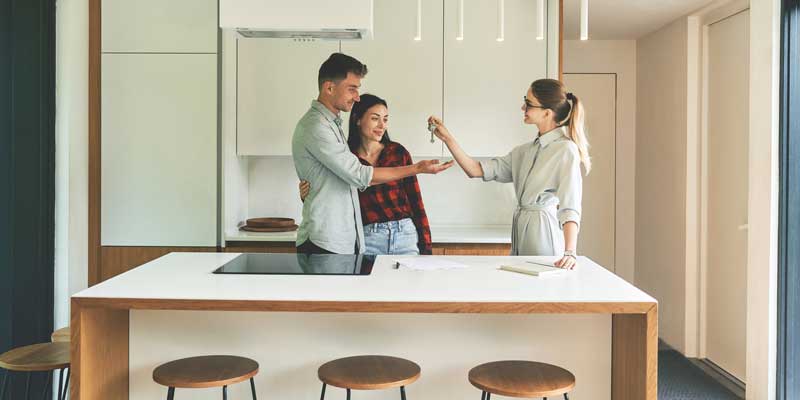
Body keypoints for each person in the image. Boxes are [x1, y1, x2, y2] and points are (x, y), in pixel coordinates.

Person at [292, 53, 452, 255]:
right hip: (327, 241)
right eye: (352, 89)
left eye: (385, 119)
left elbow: (333, 179)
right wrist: (418, 168)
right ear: (329, 88)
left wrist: (312, 191)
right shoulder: (317, 127)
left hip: (352, 240)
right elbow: (359, 175)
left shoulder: (333, 125)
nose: (357, 96)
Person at [427, 79, 590, 269]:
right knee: (522, 292)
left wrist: (570, 252)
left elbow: (570, 206)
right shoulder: (524, 152)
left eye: (528, 104)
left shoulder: (565, 150)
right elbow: (474, 169)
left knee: (542, 293)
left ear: (547, 113)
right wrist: (447, 138)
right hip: (521, 231)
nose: (523, 107)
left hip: (544, 233)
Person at [300, 94, 433, 255]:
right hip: (368, 238)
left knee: (406, 281)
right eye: (375, 118)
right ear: (358, 119)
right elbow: (333, 195)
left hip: (405, 235)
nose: (381, 125)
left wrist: (426, 246)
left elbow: (416, 202)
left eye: (385, 119)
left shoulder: (397, 152)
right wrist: (307, 195)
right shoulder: (345, 157)